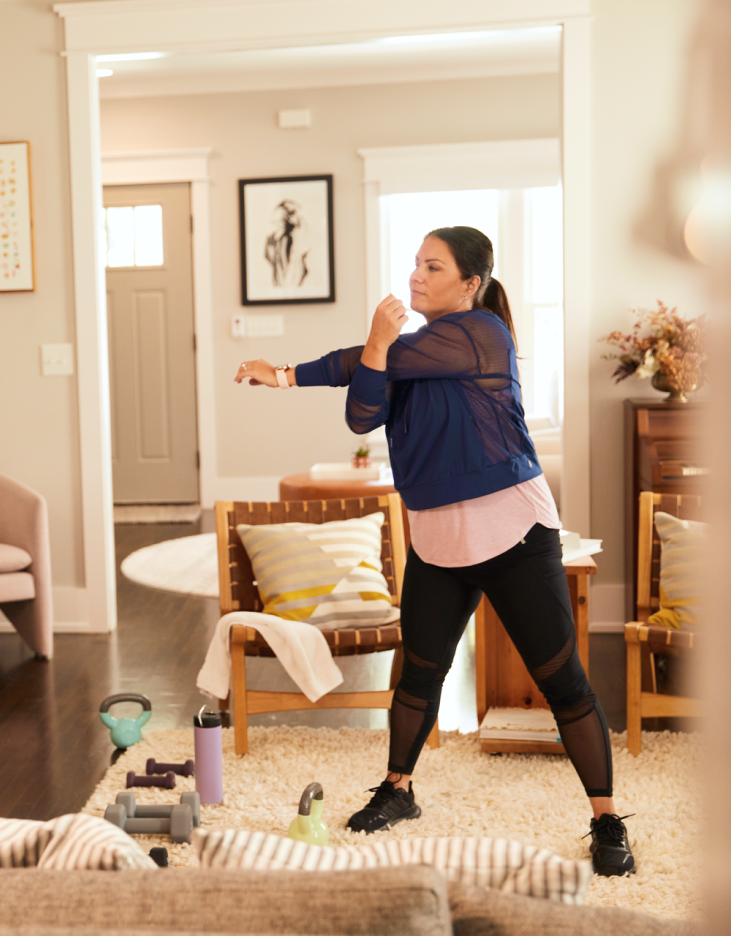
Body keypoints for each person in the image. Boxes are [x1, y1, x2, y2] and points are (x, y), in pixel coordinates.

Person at [233, 226, 635, 878]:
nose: (417, 276)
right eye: (416, 264)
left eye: (433, 266)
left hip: (512, 532)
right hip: (439, 537)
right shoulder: (404, 355)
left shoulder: (480, 335)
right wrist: (285, 374)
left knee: (561, 680)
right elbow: (362, 412)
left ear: (469, 283)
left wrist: (371, 346)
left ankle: (606, 818)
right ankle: (398, 789)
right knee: (419, 673)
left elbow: (366, 363)